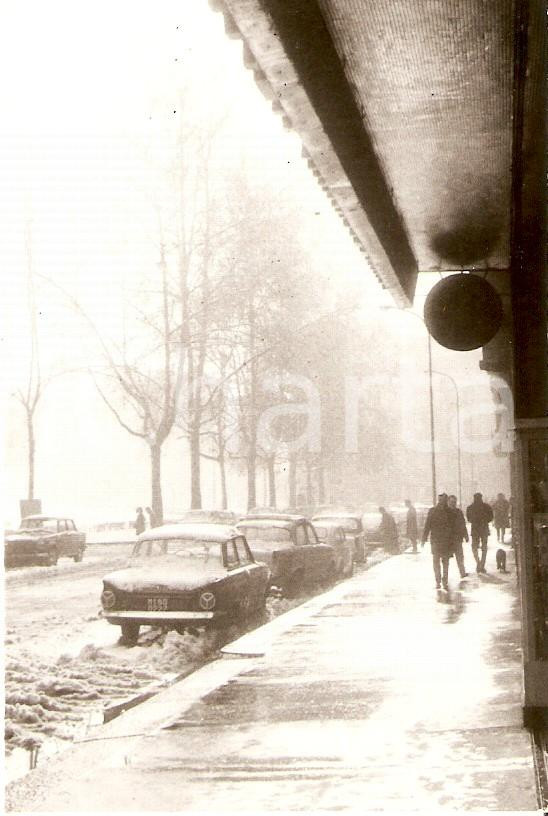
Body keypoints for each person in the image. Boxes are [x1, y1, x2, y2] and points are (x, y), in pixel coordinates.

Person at [422, 493, 454, 591]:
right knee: (445, 562)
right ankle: (443, 581)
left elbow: (427, 525)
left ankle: (439, 581)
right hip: (445, 541)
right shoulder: (449, 512)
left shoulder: (433, 511)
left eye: (442, 500)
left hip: (437, 541)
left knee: (437, 562)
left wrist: (424, 539)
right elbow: (453, 528)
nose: (442, 502)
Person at [466, 492, 494, 573]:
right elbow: (491, 517)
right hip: (484, 528)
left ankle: (478, 562)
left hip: (475, 529)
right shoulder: (486, 507)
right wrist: (484, 521)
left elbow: (468, 519)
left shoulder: (470, 508)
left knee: (474, 547)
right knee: (484, 547)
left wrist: (475, 521)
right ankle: (481, 564)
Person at [448, 494, 469, 579]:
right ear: (448, 502)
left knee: (460, 556)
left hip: (457, 538)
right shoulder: (445, 512)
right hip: (448, 539)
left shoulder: (459, 512)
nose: (453, 504)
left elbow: (463, 524)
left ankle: (462, 572)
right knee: (445, 559)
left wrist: (466, 535)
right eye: (451, 502)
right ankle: (445, 577)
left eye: (454, 502)